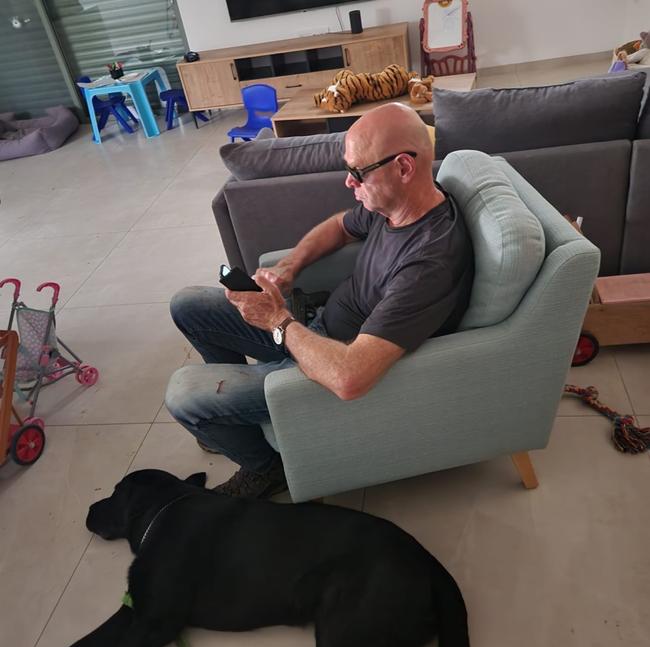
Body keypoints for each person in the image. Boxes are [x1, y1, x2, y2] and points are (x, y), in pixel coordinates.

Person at [165, 103, 474, 499]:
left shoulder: (428, 263)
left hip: (328, 368)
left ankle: (266, 469)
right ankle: (236, 420)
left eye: (357, 173)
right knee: (187, 304)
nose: (349, 183)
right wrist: (288, 269)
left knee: (184, 397)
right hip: (313, 331)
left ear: (403, 167)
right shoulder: (395, 206)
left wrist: (277, 320)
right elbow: (339, 228)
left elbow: (350, 379)